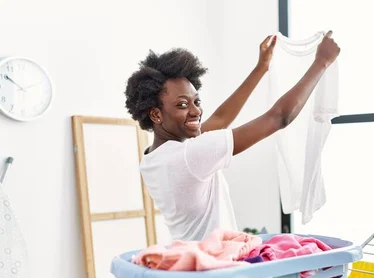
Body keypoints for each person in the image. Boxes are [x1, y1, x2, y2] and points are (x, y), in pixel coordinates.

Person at [125, 32, 340, 241]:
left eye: (196, 101)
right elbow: (279, 117)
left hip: (193, 264)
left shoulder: (154, 158)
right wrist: (321, 62)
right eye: (182, 104)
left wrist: (260, 68)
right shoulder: (190, 155)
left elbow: (219, 118)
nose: (196, 111)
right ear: (155, 114)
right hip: (217, 268)